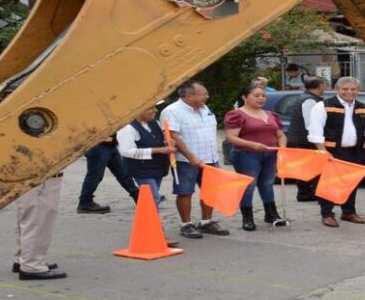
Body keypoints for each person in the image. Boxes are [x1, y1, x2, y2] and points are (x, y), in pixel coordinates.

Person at [160, 80, 230, 239]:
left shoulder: (204, 108)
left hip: (210, 157)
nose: (207, 96)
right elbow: (173, 136)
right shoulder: (172, 111)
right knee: (185, 192)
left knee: (210, 190)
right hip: (186, 160)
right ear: (189, 96)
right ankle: (186, 224)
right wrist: (191, 157)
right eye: (203, 94)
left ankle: (206, 221)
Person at [308, 76, 365, 227]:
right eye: (345, 89)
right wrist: (323, 151)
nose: (349, 92)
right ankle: (327, 214)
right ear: (337, 89)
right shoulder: (323, 106)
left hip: (356, 151)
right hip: (332, 151)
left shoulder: (362, 107)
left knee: (352, 182)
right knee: (328, 183)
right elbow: (315, 130)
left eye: (353, 89)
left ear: (358, 90)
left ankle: (348, 212)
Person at [225, 85, 288, 231]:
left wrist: (283, 148)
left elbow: (281, 135)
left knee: (267, 183)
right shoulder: (237, 114)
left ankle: (271, 214)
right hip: (247, 154)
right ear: (244, 97)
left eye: (263, 96)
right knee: (248, 185)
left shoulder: (270, 114)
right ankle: (247, 217)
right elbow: (231, 137)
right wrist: (253, 145)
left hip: (270, 153)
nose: (261, 98)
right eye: (256, 95)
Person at [116, 105, 179, 246]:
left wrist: (167, 143)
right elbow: (127, 151)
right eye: (150, 108)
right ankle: (157, 234)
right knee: (153, 199)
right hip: (141, 169)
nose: (155, 111)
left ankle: (147, 231)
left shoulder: (155, 123)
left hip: (156, 168)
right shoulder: (127, 128)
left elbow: (159, 141)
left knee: (150, 201)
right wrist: (158, 150)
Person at [13, 174, 66, 280]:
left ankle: (24, 259)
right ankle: (32, 265)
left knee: (28, 214)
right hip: (40, 172)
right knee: (39, 214)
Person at [285, 76, 328, 201]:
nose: (325, 87)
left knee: (305, 167)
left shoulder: (305, 97)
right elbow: (311, 123)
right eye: (325, 84)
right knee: (311, 167)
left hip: (300, 138)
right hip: (305, 139)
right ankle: (307, 193)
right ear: (320, 86)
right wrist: (316, 138)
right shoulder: (310, 100)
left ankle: (305, 193)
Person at [77, 137, 140, 213]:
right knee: (95, 175)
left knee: (123, 173)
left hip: (110, 145)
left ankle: (138, 197)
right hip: (97, 145)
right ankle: (85, 202)